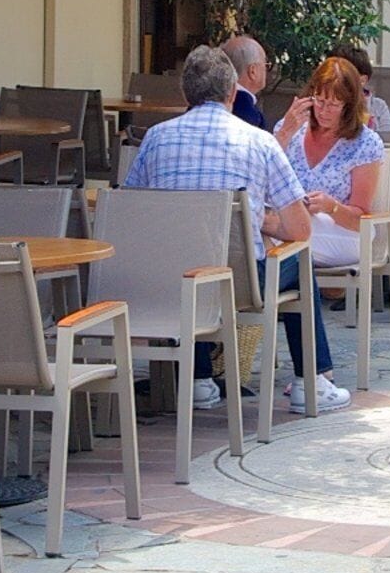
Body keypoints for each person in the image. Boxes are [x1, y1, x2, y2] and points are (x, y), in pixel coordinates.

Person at [123, 44, 338, 410]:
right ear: (231, 92)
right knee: (298, 263)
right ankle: (311, 382)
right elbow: (301, 232)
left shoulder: (156, 138)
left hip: (172, 279)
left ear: (184, 92)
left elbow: (134, 209)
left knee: (194, 252)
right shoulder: (260, 141)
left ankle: (199, 379)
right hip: (240, 282)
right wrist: (257, 220)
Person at [279, 56, 389, 296]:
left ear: (348, 106)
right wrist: (285, 132)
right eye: (319, 101)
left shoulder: (364, 143)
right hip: (294, 224)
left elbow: (361, 216)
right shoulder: (291, 129)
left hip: (346, 231)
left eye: (333, 105)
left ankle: (268, 279)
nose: (323, 111)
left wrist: (331, 207)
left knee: (267, 233)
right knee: (274, 227)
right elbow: (260, 177)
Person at [225, 35, 276, 132]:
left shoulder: (211, 99)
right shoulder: (246, 110)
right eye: (266, 65)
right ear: (253, 71)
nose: (266, 70)